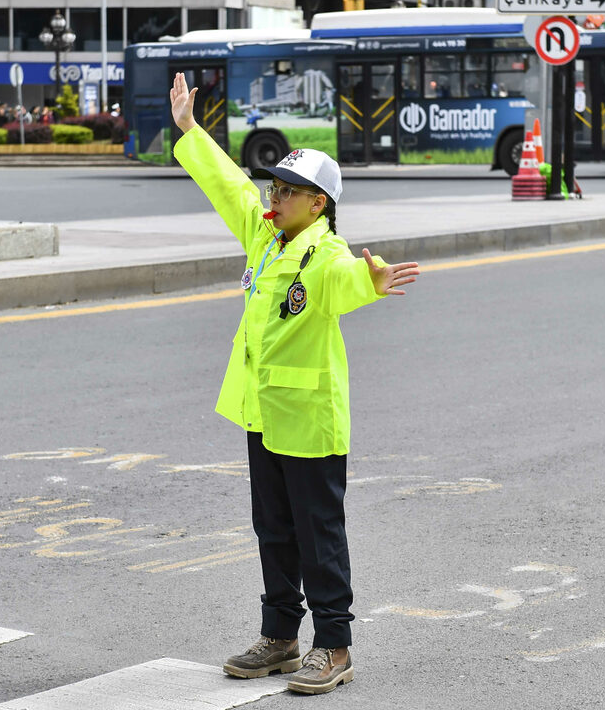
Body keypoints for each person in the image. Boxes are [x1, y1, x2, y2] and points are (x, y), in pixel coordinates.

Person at [169, 72, 420, 696]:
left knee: (318, 535)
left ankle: (333, 646)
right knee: (273, 530)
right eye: (275, 186)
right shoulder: (264, 234)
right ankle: (280, 638)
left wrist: (374, 283)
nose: (273, 197)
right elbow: (227, 185)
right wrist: (191, 132)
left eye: (290, 191)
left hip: (309, 420)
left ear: (320, 205)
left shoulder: (326, 255)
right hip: (263, 413)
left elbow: (345, 283)